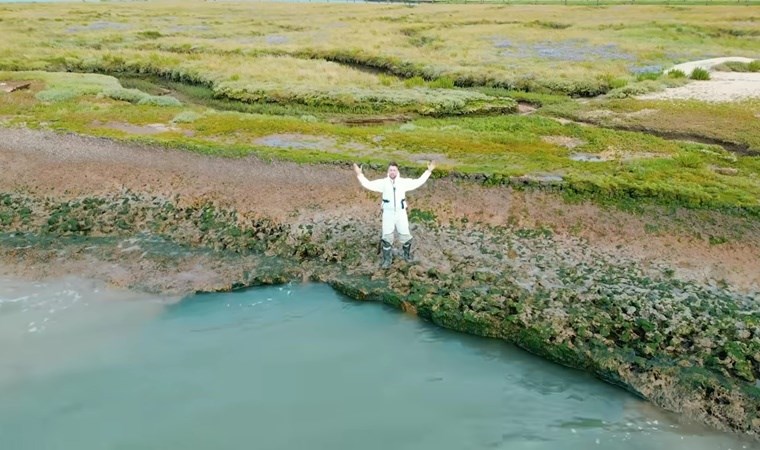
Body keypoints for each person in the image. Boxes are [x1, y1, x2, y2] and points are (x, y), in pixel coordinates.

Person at [353, 160, 436, 268]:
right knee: (387, 237)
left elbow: (418, 182)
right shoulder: (383, 183)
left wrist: (428, 171)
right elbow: (368, 184)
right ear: (388, 171)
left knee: (405, 235)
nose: (392, 172)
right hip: (388, 214)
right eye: (391, 170)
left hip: (401, 213)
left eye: (394, 170)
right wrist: (359, 174)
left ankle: (406, 256)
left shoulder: (403, 182)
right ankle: (387, 260)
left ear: (397, 171)